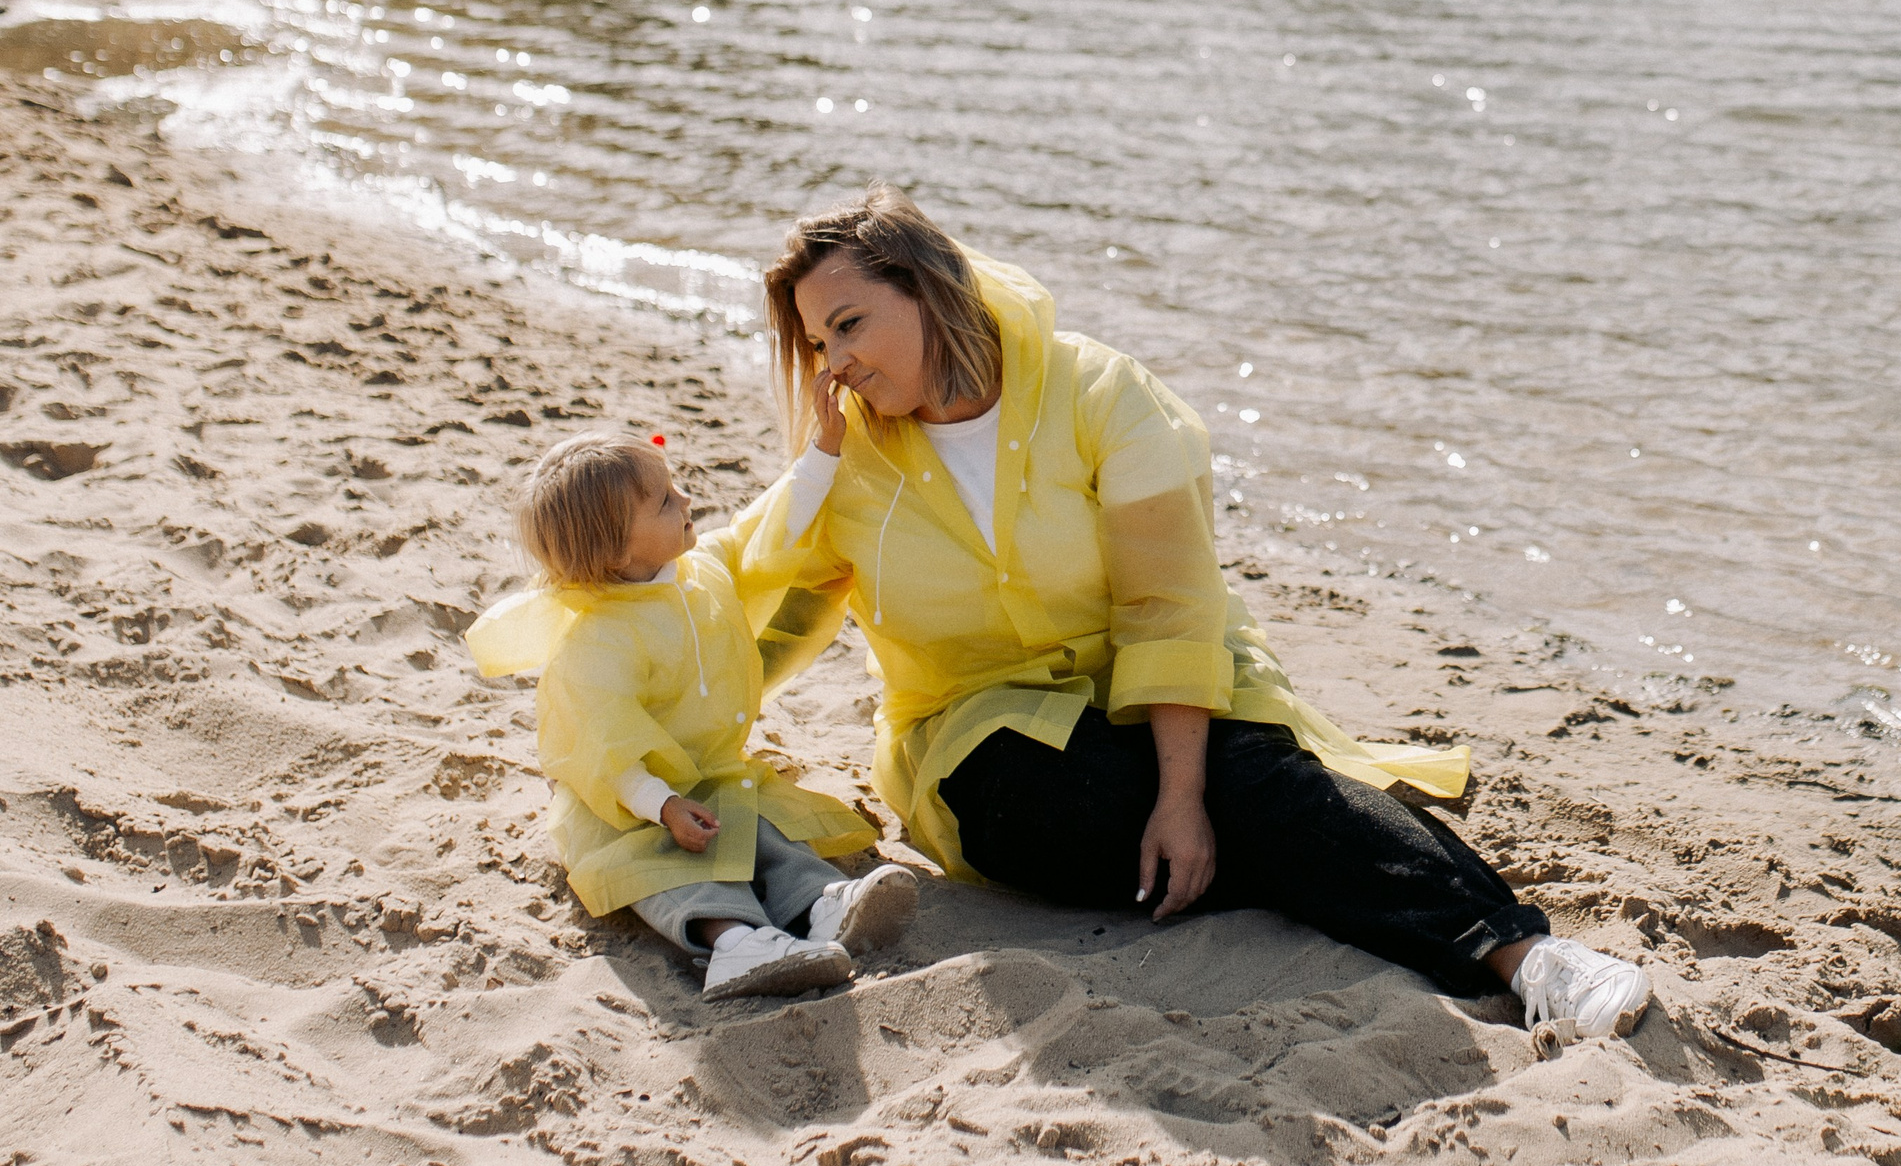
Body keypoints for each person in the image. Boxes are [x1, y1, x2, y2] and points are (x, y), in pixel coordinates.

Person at [738, 184, 1650, 1039]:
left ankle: (1533, 958)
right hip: (989, 745)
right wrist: (639, 719)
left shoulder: (1100, 394)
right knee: (1068, 800)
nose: (837, 364)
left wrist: (1183, 797)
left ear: (930, 289)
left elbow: (1167, 606)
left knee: (1242, 781)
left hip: (1171, 692)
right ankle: (1308, 859)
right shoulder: (846, 461)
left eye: (849, 325)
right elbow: (750, 594)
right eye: (820, 345)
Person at [465, 431, 919, 1001]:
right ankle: (735, 944)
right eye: (662, 501)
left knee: (762, 832)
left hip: (709, 776)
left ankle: (821, 907)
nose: (684, 499)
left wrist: (823, 452)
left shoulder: (702, 570)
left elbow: (766, 531)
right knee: (670, 866)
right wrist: (663, 804)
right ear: (615, 552)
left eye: (674, 486)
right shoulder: (597, 639)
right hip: (628, 804)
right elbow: (604, 745)